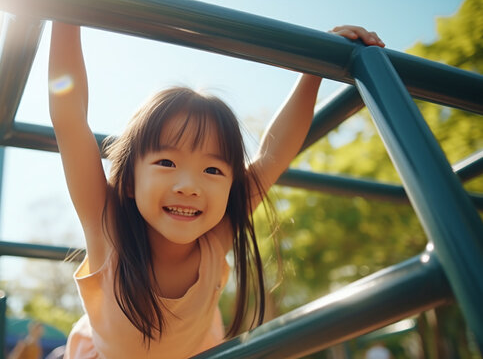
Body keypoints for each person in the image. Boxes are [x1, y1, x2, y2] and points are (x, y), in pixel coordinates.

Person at [49, 22, 384, 359]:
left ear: (230, 188)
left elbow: (273, 155)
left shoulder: (216, 238)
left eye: (212, 170)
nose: (189, 187)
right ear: (130, 181)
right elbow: (69, 118)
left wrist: (314, 69)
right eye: (166, 162)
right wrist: (65, 17)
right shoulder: (107, 230)